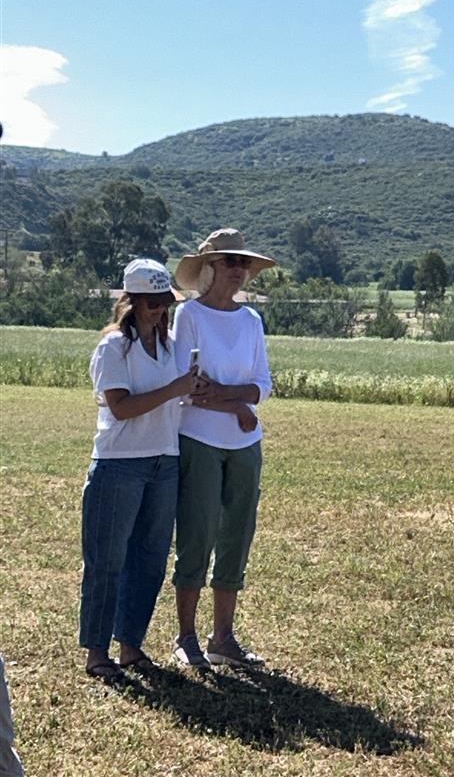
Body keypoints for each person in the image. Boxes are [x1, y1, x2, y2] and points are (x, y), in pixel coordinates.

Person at [80, 258, 198, 680]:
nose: (160, 311)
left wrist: (189, 391)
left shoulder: (165, 346)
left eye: (165, 303)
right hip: (119, 465)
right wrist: (175, 388)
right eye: (152, 304)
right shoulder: (113, 347)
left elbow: (172, 400)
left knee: (149, 559)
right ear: (132, 302)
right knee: (106, 561)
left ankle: (131, 645)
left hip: (163, 460)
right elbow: (121, 406)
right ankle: (96, 652)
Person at [171, 228, 276, 669]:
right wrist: (239, 404)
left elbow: (263, 386)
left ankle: (223, 638)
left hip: (244, 444)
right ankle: (186, 637)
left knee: (237, 536)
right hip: (199, 439)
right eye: (231, 261)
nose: (240, 270)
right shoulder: (189, 316)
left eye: (244, 263)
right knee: (196, 533)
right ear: (210, 268)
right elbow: (186, 385)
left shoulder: (251, 321)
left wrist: (234, 402)